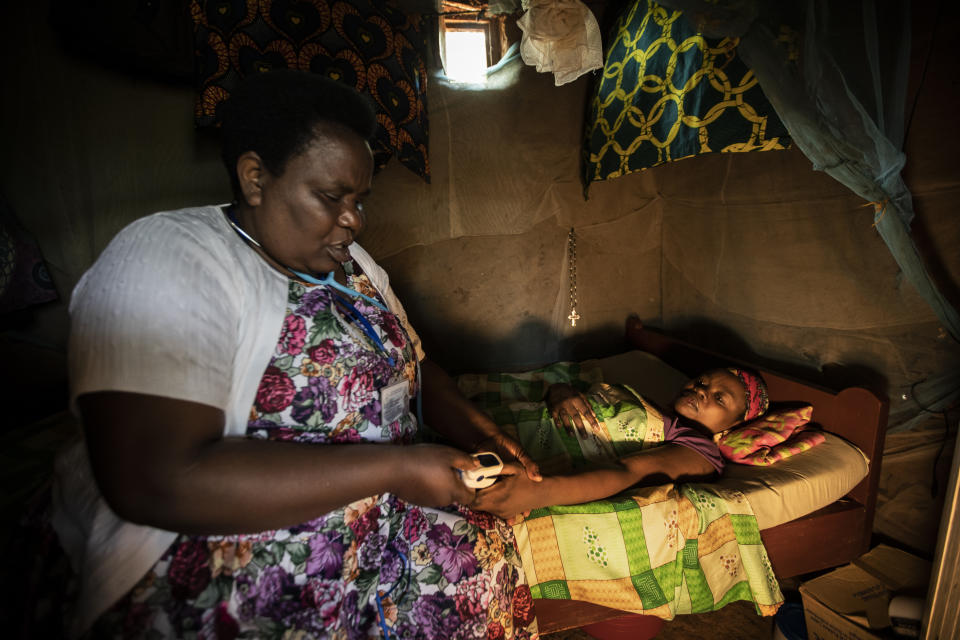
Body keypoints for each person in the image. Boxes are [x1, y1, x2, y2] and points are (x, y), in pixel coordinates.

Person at [52, 69, 541, 639]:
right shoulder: (172, 255)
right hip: (237, 577)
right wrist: (399, 469)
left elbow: (414, 363)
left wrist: (481, 431)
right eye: (332, 197)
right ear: (255, 178)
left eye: (359, 200)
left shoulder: (353, 264)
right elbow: (155, 479)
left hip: (382, 544)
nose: (354, 220)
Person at [473, 367, 769, 519]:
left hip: (523, 453)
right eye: (702, 381)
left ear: (734, 425)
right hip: (505, 422)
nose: (702, 391)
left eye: (719, 398)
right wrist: (560, 391)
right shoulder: (648, 404)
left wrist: (538, 492)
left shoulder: (701, 451)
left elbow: (626, 471)